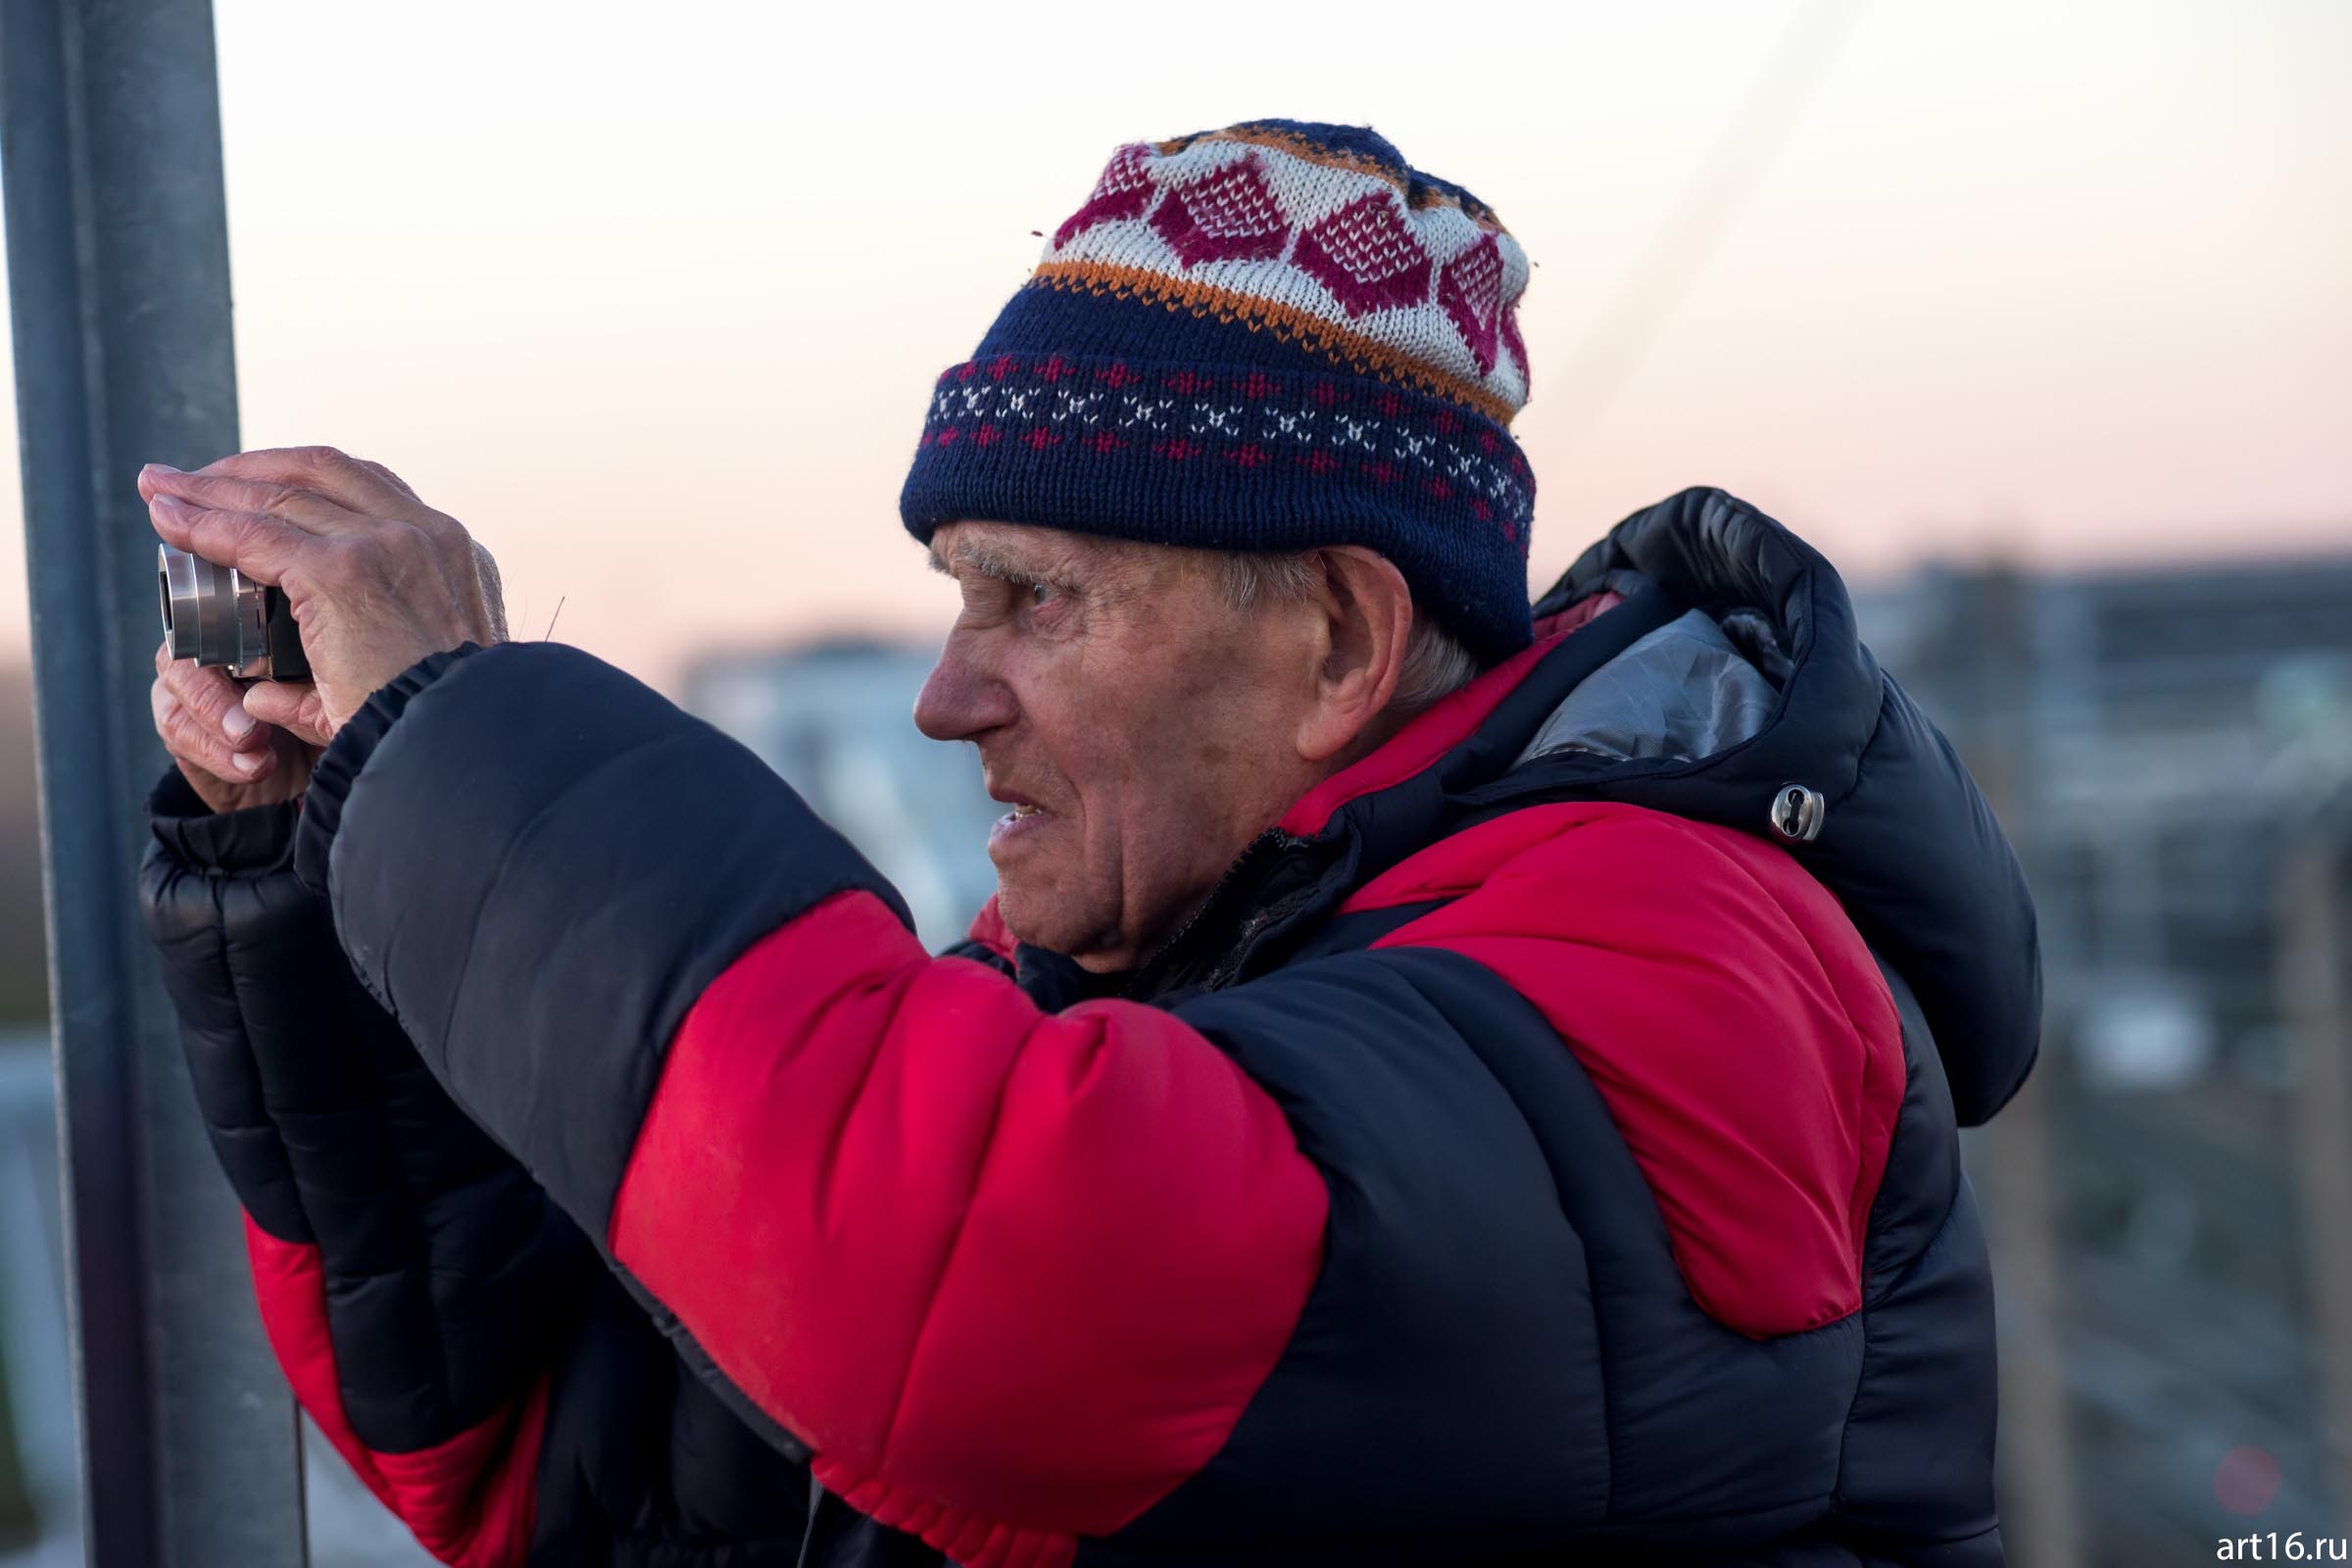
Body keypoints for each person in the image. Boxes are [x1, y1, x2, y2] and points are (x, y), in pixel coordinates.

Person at [136, 121, 2039, 1568]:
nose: (947, 697)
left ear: (1337, 642)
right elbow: (562, 1455)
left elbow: (970, 1297)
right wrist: (316, 851)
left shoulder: (1690, 955)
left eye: (1035, 598)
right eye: (958, 598)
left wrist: (463, 734)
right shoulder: (1174, 980)